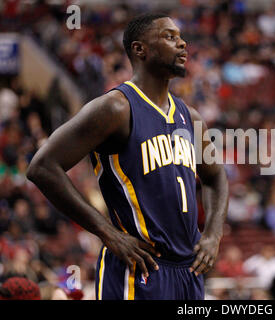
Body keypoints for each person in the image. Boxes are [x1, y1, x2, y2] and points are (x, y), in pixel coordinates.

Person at [26, 13, 229, 300]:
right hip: (139, 270)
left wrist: (212, 235)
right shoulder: (115, 108)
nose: (182, 44)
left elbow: (216, 177)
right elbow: (43, 167)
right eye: (170, 37)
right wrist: (107, 233)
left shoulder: (190, 117)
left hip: (188, 273)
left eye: (181, 37)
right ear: (139, 49)